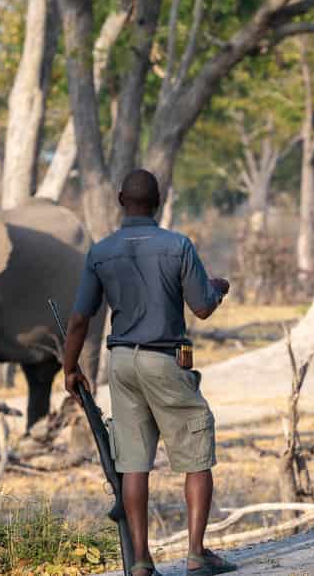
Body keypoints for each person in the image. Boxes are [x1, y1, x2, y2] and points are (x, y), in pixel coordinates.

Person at [60, 169, 236, 576]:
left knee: (133, 463)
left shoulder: (101, 251)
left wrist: (70, 369)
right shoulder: (178, 246)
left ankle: (140, 562)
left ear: (122, 200)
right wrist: (219, 287)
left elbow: (79, 320)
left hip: (120, 362)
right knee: (194, 454)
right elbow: (203, 307)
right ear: (158, 201)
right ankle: (196, 553)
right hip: (166, 358)